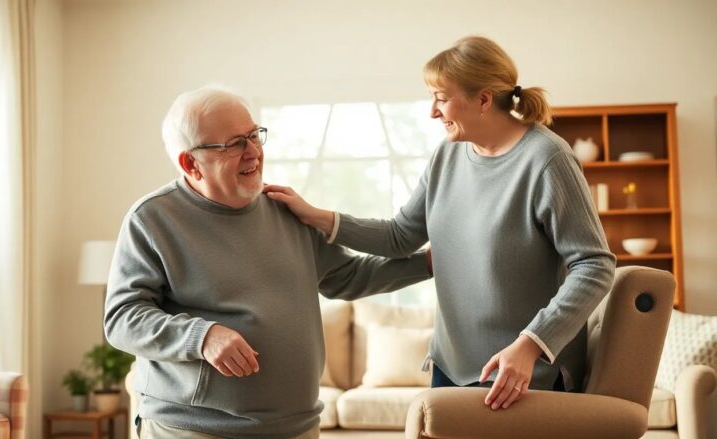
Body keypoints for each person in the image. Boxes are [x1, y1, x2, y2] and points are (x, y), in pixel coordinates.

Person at [265, 35, 616, 412]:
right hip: (450, 367)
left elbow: (594, 265)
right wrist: (318, 216)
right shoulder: (446, 155)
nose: (433, 111)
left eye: (441, 97)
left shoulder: (547, 160)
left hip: (523, 373)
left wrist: (531, 344)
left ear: (483, 99)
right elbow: (400, 236)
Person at [103, 86, 432, 439]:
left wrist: (427, 263)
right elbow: (123, 318)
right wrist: (202, 336)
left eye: (253, 136)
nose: (253, 153)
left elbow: (348, 277)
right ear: (190, 163)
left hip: (297, 427)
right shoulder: (152, 219)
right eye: (234, 144)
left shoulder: (283, 209)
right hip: (194, 429)